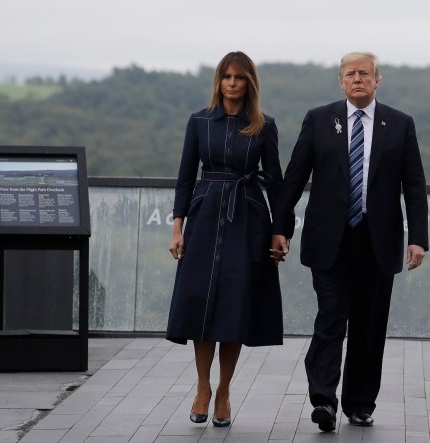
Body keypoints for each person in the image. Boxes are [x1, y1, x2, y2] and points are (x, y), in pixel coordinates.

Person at [271, 51, 429, 432]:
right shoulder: (320, 119)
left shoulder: (400, 124)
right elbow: (293, 178)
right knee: (331, 319)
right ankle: (323, 399)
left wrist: (418, 239)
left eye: (364, 73)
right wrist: (280, 227)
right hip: (331, 240)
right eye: (350, 74)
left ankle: (360, 404)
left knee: (368, 327)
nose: (357, 79)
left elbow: (415, 185)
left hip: (378, 242)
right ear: (341, 82)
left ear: (377, 81)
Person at [166, 51, 284, 428]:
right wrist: (177, 227)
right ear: (218, 81)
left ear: (250, 82)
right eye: (226, 77)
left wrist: (280, 230)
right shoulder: (199, 122)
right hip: (203, 216)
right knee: (202, 302)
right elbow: (185, 177)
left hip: (248, 217)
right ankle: (202, 386)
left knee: (235, 304)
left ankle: (225, 390)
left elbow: (277, 183)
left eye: (240, 77)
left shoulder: (264, 126)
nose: (232, 83)